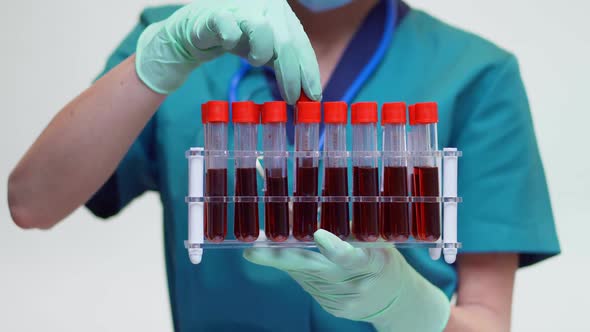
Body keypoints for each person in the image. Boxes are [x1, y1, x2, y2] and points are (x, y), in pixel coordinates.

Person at [7, 0, 560, 330]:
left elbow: (487, 320)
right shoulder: (185, 34)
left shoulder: (475, 73)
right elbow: (31, 204)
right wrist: (158, 60)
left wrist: (408, 308)